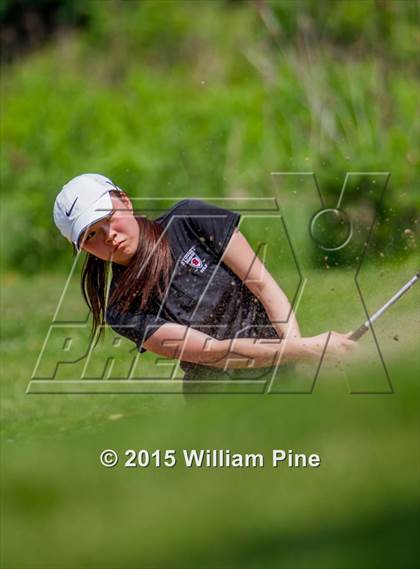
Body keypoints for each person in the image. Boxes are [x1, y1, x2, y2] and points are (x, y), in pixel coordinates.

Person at [53, 173, 355, 389]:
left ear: (126, 202)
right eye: (91, 235)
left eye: (107, 218)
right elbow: (213, 351)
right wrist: (307, 350)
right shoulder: (122, 309)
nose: (109, 236)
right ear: (83, 249)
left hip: (281, 363)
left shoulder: (189, 219)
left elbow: (263, 286)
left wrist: (298, 354)